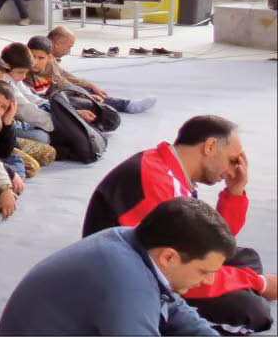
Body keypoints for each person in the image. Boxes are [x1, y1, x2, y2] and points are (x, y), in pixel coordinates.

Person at [82, 116, 276, 332]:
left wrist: (234, 192)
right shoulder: (154, 181)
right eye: (233, 161)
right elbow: (173, 268)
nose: (233, 171)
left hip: (159, 263)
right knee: (252, 312)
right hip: (127, 284)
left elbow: (215, 241)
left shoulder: (168, 168)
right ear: (210, 146)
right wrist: (259, 283)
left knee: (246, 257)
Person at [0, 197, 234, 335]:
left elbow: (172, 307)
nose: (209, 281)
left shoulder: (133, 240)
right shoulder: (127, 284)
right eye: (204, 271)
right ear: (169, 257)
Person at [46, 26, 157, 114]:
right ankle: (126, 106)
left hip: (53, 90)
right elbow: (60, 81)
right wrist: (84, 93)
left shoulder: (50, 55)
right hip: (48, 95)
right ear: (57, 44)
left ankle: (126, 105)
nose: (70, 51)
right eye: (69, 46)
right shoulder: (45, 57)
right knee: (80, 95)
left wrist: (89, 85)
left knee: (85, 90)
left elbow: (64, 74)